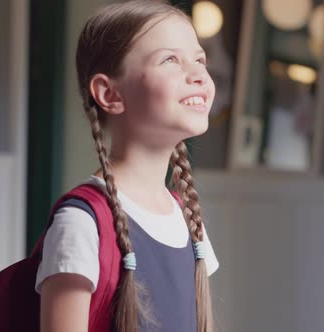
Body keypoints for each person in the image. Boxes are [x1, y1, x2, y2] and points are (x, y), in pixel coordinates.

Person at [35, 1, 219, 331]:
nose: (198, 75)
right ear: (109, 93)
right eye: (170, 60)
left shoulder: (188, 220)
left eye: (199, 59)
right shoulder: (81, 224)